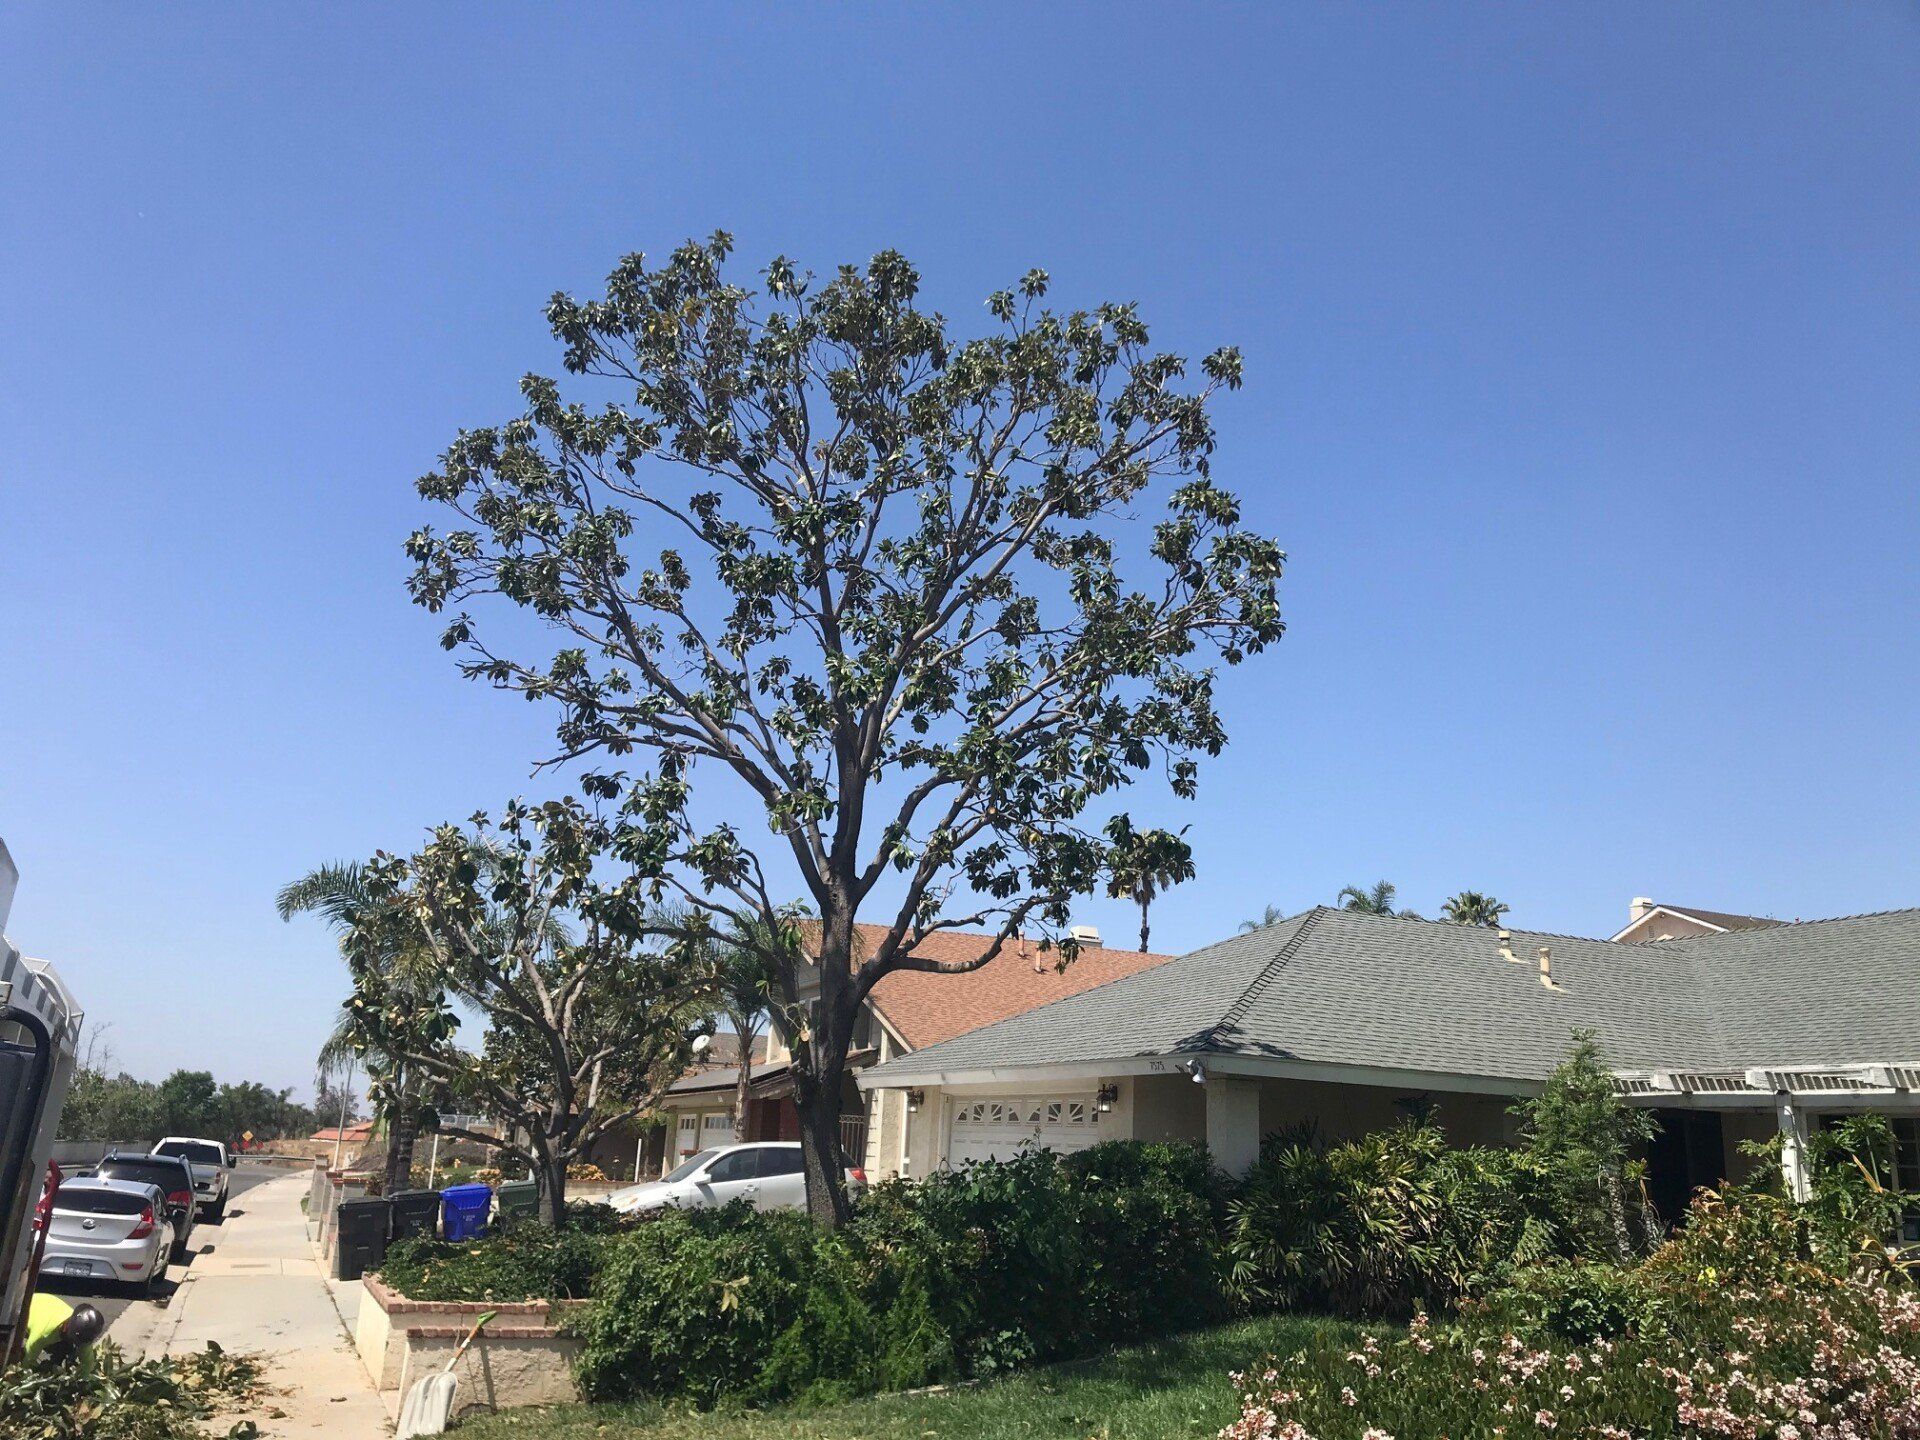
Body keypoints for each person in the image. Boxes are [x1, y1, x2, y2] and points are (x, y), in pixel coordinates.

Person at [22, 1292, 105, 1364]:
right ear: (66, 1327)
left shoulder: (84, 1333)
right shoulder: (43, 1334)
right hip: (24, 1309)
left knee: (68, 1350)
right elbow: (28, 1361)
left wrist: (84, 1379)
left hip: (48, 1305)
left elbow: (87, 1363)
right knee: (20, 1353)